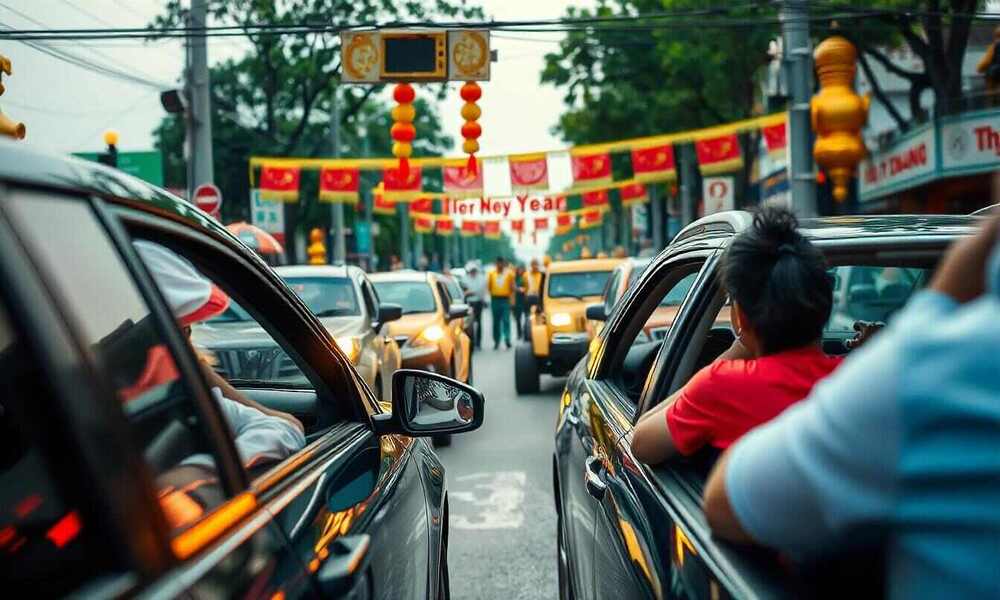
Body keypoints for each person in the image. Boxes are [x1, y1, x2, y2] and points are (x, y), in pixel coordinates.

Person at [702, 216, 1000, 598]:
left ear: (741, 318)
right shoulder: (870, 373)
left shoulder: (916, 373)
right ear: (824, 309)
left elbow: (721, 499)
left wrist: (920, 324)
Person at [630, 207, 843, 464]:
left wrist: (735, 350)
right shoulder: (865, 380)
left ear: (741, 315)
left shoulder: (722, 386)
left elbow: (641, 444)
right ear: (825, 305)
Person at [133, 240, 306, 471]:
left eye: (187, 331)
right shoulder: (157, 398)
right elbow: (286, 427)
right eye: (181, 329)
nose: (186, 339)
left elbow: (287, 427)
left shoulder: (180, 395)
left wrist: (199, 470)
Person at [487, 256, 515, 349]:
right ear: (496, 264)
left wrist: (512, 301)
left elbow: (512, 288)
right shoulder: (491, 274)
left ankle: (507, 339)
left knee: (506, 320)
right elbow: (489, 287)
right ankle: (496, 341)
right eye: (498, 263)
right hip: (495, 299)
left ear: (503, 263)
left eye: (501, 263)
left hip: (505, 299)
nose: (499, 265)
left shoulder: (509, 274)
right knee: (496, 321)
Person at [464, 262, 488, 349]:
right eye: (471, 271)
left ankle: (478, 342)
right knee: (469, 323)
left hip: (478, 302)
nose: (473, 272)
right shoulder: (465, 279)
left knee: (479, 322)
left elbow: (480, 290)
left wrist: (471, 292)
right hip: (469, 303)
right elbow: (464, 291)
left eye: (474, 270)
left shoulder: (481, 279)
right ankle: (471, 342)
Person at [512, 264, 528, 340]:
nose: (520, 271)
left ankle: (526, 332)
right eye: (519, 270)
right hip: (517, 300)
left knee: (526, 317)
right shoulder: (515, 278)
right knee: (518, 318)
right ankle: (519, 333)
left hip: (525, 300)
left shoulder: (526, 277)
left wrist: (523, 289)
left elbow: (527, 286)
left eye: (522, 269)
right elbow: (513, 287)